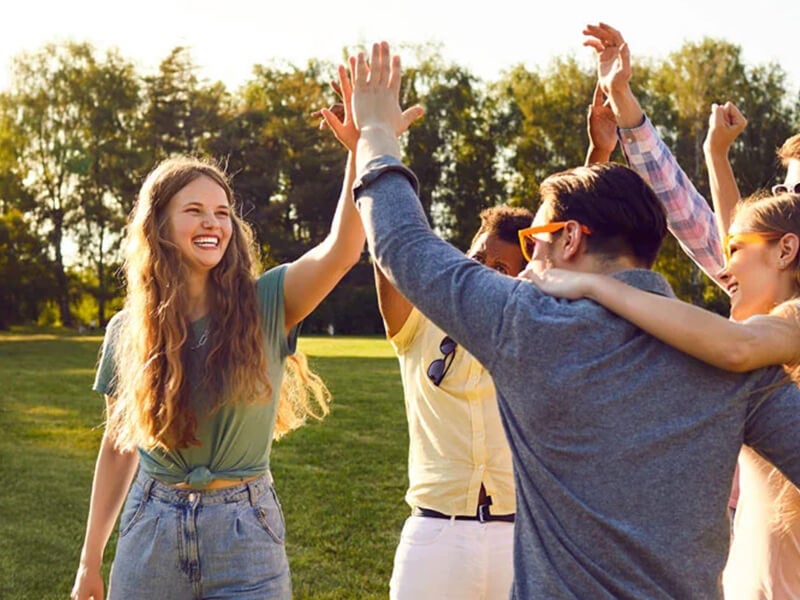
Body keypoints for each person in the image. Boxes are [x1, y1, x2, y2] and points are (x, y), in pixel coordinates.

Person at [346, 41, 800, 598]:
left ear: (569, 238)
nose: (530, 260)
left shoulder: (525, 324)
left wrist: (375, 133)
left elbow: (402, 243)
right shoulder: (731, 354)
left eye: (536, 239)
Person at [70, 149, 367, 599]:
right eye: (194, 211)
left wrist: (359, 148)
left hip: (245, 532)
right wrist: (89, 562)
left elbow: (343, 250)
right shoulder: (127, 331)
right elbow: (117, 447)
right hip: (150, 530)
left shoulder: (268, 301)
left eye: (222, 213)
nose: (213, 223)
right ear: (159, 226)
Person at [570, 22, 800, 599]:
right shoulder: (762, 293)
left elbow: (736, 337)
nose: (792, 204)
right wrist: (632, 107)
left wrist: (609, 289)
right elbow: (722, 231)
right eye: (791, 190)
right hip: (748, 570)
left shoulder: (767, 322)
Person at [315, 64, 527, 599]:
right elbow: (390, 245)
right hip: (435, 535)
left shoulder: (536, 328)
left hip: (520, 537)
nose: (483, 271)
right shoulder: (420, 322)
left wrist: (596, 154)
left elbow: (571, 251)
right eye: (478, 258)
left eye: (502, 269)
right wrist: (368, 144)